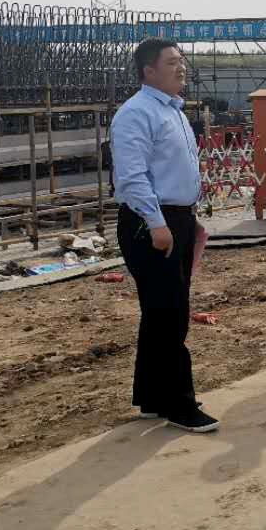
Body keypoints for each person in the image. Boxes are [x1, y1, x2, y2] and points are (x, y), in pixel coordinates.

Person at [110, 38, 218, 433]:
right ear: (148, 71)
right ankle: (179, 403)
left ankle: (153, 396)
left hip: (177, 220)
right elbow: (133, 176)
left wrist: (190, 217)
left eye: (181, 60)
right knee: (169, 314)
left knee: (160, 313)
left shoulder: (173, 111)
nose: (181, 67)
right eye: (171, 62)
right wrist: (157, 224)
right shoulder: (135, 114)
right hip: (150, 222)